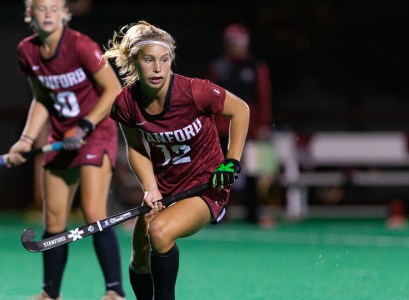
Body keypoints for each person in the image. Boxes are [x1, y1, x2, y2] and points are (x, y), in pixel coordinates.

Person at [105, 21, 249, 299]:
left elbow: (240, 110)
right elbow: (135, 148)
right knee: (141, 255)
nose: (158, 68)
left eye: (164, 60)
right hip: (164, 189)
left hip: (205, 187)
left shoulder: (195, 91)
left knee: (158, 232)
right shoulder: (126, 102)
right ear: (134, 61)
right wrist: (150, 187)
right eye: (149, 60)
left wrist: (231, 162)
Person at [7, 0, 125, 299]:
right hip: (61, 137)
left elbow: (113, 90)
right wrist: (25, 139)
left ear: (64, 14)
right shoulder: (27, 50)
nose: (48, 14)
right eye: (41, 8)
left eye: (54, 8)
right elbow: (42, 99)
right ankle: (50, 293)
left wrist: (85, 126)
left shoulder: (81, 46)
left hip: (95, 132)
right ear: (29, 14)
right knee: (54, 220)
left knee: (93, 211)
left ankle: (115, 291)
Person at [207, 23, 273, 225]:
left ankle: (253, 213)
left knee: (254, 172)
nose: (235, 46)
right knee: (222, 168)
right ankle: (219, 211)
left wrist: (264, 124)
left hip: (251, 130)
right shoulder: (218, 67)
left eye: (238, 42)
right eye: (231, 42)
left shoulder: (257, 67)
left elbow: (263, 97)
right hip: (222, 127)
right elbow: (209, 98)